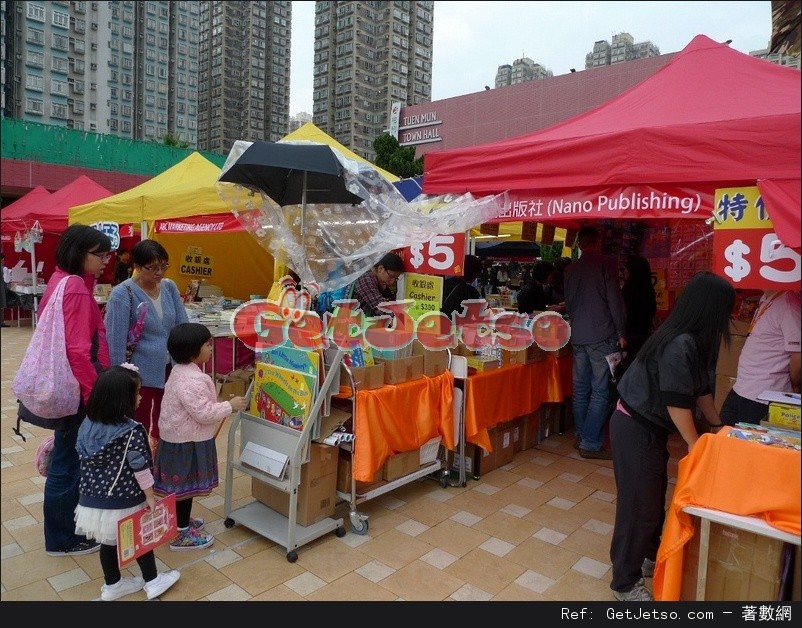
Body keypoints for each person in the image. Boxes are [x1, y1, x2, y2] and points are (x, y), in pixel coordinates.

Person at [609, 271, 735, 602]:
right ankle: (624, 582)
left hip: (649, 427)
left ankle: (649, 556)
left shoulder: (693, 339)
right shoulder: (680, 343)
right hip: (633, 425)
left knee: (651, 499)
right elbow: (677, 401)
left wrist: (719, 425)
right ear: (711, 309)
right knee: (639, 505)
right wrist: (696, 445)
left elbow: (701, 391)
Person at [16, 224, 112, 556]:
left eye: (106, 254)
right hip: (77, 390)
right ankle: (62, 539)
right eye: (99, 255)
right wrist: (94, 397)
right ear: (78, 253)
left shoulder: (63, 281)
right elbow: (77, 351)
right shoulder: (74, 289)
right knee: (68, 462)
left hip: (70, 388)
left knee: (67, 456)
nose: (105, 261)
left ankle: (65, 530)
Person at [74, 365, 181, 601]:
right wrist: (150, 497)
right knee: (142, 538)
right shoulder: (131, 431)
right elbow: (141, 469)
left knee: (108, 542)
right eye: (138, 393)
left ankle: (112, 585)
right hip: (124, 499)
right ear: (122, 400)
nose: (141, 397)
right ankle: (153, 581)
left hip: (93, 500)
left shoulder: (86, 424)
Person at [153, 323, 247, 551]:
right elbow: (204, 413)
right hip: (186, 442)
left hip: (178, 438)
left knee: (181, 488)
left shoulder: (180, 371)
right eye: (207, 344)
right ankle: (181, 534)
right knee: (183, 490)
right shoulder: (191, 381)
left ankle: (179, 523)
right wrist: (229, 405)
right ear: (192, 350)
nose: (211, 347)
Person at [104, 239, 188, 444]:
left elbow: (182, 324)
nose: (159, 272)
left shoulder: (169, 288)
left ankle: (162, 458)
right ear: (137, 267)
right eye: (152, 267)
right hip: (138, 370)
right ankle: (137, 461)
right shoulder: (123, 294)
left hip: (170, 366)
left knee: (168, 418)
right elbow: (115, 339)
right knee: (137, 421)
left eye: (163, 266)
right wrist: (121, 378)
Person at [563, 225, 627, 460]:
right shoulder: (606, 264)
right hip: (602, 335)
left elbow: (569, 304)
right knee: (601, 390)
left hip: (578, 335)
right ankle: (590, 442)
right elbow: (615, 300)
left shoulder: (570, 269)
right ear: (597, 242)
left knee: (580, 389)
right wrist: (621, 331)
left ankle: (581, 434)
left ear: (579, 244)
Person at [720, 289, 801, 425]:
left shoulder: (789, 305)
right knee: (724, 434)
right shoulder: (767, 298)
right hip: (742, 386)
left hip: (763, 394)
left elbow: (798, 356)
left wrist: (794, 383)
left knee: (747, 442)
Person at [621, 255, 657, 368]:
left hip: (629, 339)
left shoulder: (627, 291)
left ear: (632, 270)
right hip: (645, 338)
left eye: (626, 268)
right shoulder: (649, 290)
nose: (624, 272)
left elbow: (623, 315)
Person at [350, 251, 405, 318]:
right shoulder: (365, 279)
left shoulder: (378, 279)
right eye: (390, 276)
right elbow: (381, 308)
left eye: (395, 278)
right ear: (380, 268)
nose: (392, 282)